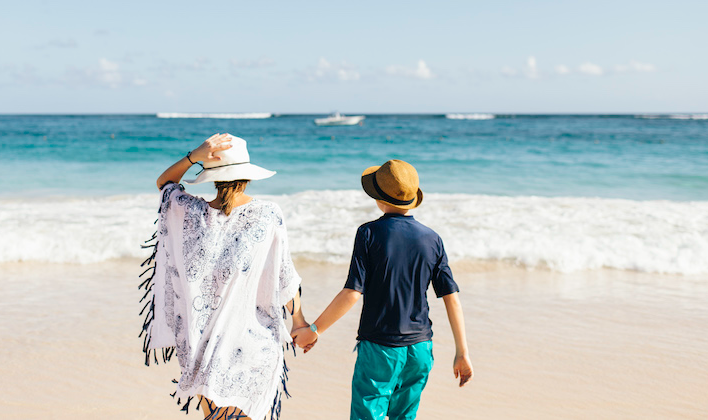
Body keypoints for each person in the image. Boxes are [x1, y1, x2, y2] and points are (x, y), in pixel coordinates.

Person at [139, 133, 309, 420]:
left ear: (212, 178)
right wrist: (300, 323)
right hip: (251, 345)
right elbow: (282, 277)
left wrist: (195, 155)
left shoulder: (190, 212)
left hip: (201, 348)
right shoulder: (268, 214)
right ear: (247, 176)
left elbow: (164, 184)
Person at [291, 159, 473, 420]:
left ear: (378, 198)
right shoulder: (432, 239)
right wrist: (462, 352)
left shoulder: (369, 233)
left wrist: (314, 330)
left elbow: (353, 292)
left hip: (380, 348)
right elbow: (451, 298)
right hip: (420, 350)